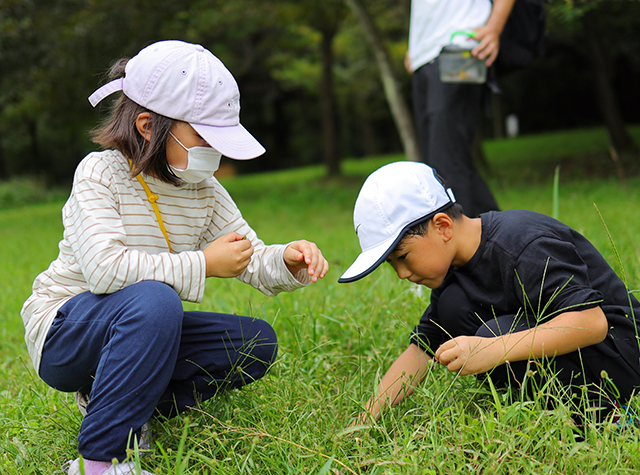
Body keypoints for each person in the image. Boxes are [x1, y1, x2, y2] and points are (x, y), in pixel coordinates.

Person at [21, 40, 329, 475]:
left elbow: (250, 256)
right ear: (148, 126)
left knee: (254, 343)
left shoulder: (204, 191)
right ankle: (101, 463)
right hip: (67, 329)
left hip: (142, 325)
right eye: (203, 137)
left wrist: (288, 260)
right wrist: (203, 264)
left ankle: (119, 403)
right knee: (157, 300)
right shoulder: (100, 173)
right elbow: (104, 270)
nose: (214, 153)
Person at [339, 161, 640, 427]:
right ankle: (548, 412)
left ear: (442, 227)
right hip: (582, 355)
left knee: (495, 333)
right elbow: (422, 349)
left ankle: (611, 415)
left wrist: (495, 349)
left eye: (403, 257)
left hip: (623, 352)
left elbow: (591, 322)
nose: (402, 274)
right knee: (452, 306)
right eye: (393, 265)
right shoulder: (454, 270)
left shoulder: (523, 243)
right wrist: (366, 418)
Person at [406, 0, 515, 217]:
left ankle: (468, 246)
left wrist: (494, 28)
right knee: (438, 166)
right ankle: (501, 238)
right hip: (424, 56)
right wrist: (416, 46)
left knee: (446, 164)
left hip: (461, 49)